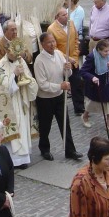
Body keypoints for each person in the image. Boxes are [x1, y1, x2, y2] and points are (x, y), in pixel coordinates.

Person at [35, 32, 83, 161]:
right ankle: (44, 148)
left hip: (59, 96)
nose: (52, 44)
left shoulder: (59, 54)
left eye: (53, 41)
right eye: (49, 42)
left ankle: (70, 150)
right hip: (45, 99)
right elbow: (42, 84)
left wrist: (68, 68)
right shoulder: (39, 61)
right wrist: (59, 86)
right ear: (42, 44)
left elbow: (66, 73)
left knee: (65, 123)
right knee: (45, 126)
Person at [0, 38, 38, 169]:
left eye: (18, 53)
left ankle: (23, 159)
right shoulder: (1, 65)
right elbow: (1, 86)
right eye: (13, 53)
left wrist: (27, 80)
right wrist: (15, 76)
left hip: (21, 99)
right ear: (7, 51)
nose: (16, 56)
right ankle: (13, 160)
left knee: (23, 128)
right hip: (10, 104)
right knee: (13, 130)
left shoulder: (21, 60)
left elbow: (29, 77)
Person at [48, 7, 85, 116]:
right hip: (60, 62)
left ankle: (79, 108)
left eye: (67, 14)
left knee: (77, 83)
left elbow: (76, 40)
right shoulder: (51, 29)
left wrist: (76, 54)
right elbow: (54, 48)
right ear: (57, 17)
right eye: (64, 15)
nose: (67, 16)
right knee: (61, 85)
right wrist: (67, 58)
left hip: (74, 60)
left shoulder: (71, 23)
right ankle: (57, 109)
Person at [80, 39, 109, 133]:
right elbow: (83, 71)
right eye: (105, 51)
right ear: (99, 50)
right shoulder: (91, 57)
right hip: (95, 85)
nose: (107, 53)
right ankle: (85, 116)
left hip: (106, 83)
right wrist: (92, 78)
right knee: (91, 104)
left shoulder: (108, 56)